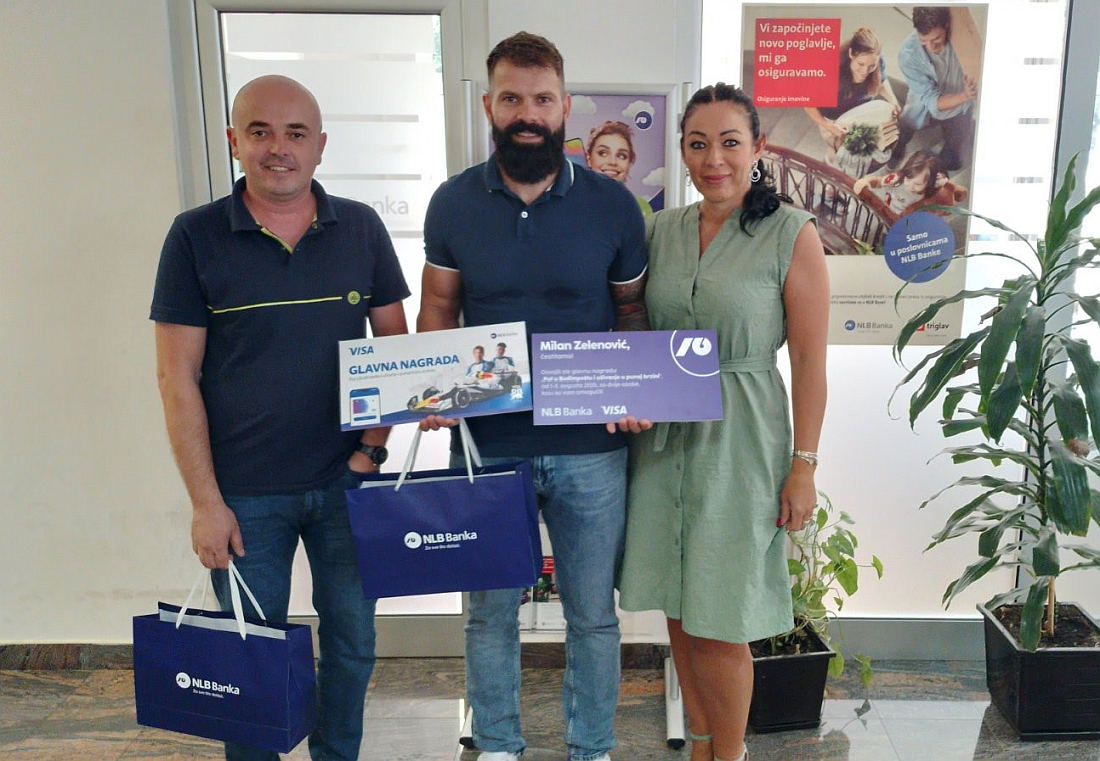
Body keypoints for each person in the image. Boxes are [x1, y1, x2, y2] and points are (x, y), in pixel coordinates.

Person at [151, 75, 409, 761]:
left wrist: (370, 452)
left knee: (353, 645)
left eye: (296, 133)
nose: (278, 148)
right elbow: (176, 378)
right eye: (260, 132)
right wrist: (206, 503)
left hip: (347, 485)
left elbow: (397, 350)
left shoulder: (360, 227)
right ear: (234, 141)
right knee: (248, 662)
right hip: (243, 496)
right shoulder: (195, 236)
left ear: (320, 145)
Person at [417, 32, 648, 761]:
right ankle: (496, 746)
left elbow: (631, 311)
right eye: (512, 98)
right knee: (489, 615)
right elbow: (437, 310)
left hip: (591, 450)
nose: (527, 113)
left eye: (542, 99)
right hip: (487, 445)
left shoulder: (614, 207)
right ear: (489, 105)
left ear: (565, 107)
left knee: (593, 616)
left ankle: (592, 748)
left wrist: (630, 384)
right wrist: (430, 387)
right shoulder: (452, 203)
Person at [617, 83, 829, 761]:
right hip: (663, 438)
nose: (714, 159)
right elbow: (635, 327)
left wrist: (804, 465)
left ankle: (728, 754)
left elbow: (809, 362)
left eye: (730, 143)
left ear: (758, 148)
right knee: (679, 608)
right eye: (698, 144)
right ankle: (702, 745)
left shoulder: (790, 233)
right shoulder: (661, 231)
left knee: (722, 617)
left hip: (741, 436)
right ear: (682, 151)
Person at [892, 6, 979, 170]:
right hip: (923, 106)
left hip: (960, 109)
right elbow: (931, 101)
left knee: (953, 158)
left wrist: (967, 96)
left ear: (947, 26)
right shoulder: (907, 54)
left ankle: (939, 169)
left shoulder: (962, 42)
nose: (931, 47)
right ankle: (897, 151)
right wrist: (965, 95)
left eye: (936, 39)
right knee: (905, 128)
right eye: (923, 41)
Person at [803, 27, 900, 161]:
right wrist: (829, 126)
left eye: (871, 66)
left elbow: (882, 81)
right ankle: (829, 162)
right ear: (851, 54)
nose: (865, 71)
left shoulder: (877, 61)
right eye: (861, 64)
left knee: (861, 151)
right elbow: (808, 103)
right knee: (839, 152)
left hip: (860, 110)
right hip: (834, 121)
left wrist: (893, 100)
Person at [853, 149, 968, 222]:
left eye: (917, 184)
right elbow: (878, 181)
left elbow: (942, 206)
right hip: (888, 213)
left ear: (930, 183)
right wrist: (866, 182)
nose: (910, 186)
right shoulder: (898, 179)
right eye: (908, 179)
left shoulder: (931, 196)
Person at [585, 120, 653, 216]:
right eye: (603, 153)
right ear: (589, 159)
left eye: (621, 156)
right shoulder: (573, 205)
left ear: (629, 163)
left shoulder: (637, 210)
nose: (612, 162)